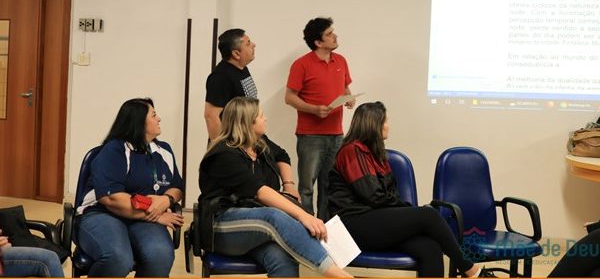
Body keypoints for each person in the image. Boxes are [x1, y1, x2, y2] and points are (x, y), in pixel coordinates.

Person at [328, 101, 488, 278]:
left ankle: (469, 270)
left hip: (374, 222)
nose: (388, 126)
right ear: (373, 124)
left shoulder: (376, 154)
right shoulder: (352, 151)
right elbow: (373, 196)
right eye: (385, 121)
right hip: (352, 226)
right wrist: (409, 211)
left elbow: (389, 194)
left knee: (430, 248)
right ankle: (470, 269)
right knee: (428, 215)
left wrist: (406, 212)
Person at [198, 96, 351, 277]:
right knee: (273, 216)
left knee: (283, 260)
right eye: (261, 115)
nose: (266, 118)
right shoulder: (224, 154)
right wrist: (304, 216)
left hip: (256, 225)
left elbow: (282, 155)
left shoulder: (258, 143)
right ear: (247, 123)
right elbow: (260, 192)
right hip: (221, 226)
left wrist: (289, 185)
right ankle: (339, 275)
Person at [75, 98, 185, 277]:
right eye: (154, 115)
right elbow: (112, 199)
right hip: (102, 213)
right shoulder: (114, 150)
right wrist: (155, 213)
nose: (159, 119)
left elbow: (177, 187)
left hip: (143, 217)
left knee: (160, 256)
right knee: (118, 258)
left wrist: (167, 200)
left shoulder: (164, 150)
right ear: (139, 121)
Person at [285, 17, 354, 220]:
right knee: (307, 187)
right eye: (329, 34)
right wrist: (314, 110)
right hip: (310, 136)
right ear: (318, 42)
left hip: (336, 134)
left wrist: (349, 98)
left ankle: (325, 226)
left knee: (330, 185)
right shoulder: (301, 65)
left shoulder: (341, 61)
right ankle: (307, 226)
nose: (335, 36)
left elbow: (345, 87)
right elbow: (289, 97)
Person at [204, 28, 258, 140]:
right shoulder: (220, 77)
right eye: (248, 43)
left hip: (247, 138)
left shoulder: (242, 68)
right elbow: (211, 116)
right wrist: (221, 148)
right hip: (232, 142)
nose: (254, 45)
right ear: (236, 54)